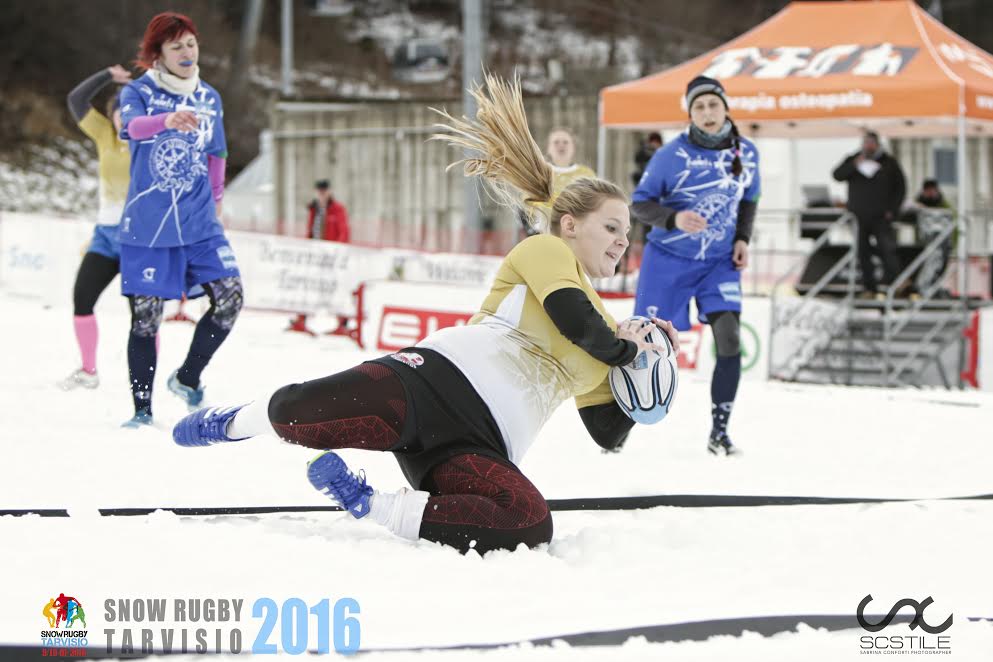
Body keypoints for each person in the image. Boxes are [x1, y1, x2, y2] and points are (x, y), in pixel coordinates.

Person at [172, 74, 679, 555]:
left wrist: (651, 369)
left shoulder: (607, 340)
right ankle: (233, 421)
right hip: (430, 385)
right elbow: (574, 320)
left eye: (627, 234)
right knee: (298, 416)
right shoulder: (548, 251)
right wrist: (628, 350)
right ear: (570, 224)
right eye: (612, 227)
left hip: (479, 447)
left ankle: (376, 506)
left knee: (529, 521)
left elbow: (608, 433)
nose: (622, 242)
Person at [117, 12, 243, 427]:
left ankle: (188, 378)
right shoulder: (140, 91)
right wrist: (166, 120)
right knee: (147, 318)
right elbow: (133, 128)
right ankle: (142, 410)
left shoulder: (209, 97)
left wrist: (217, 201)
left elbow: (217, 153)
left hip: (200, 221)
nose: (187, 53)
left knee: (230, 298)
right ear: (159, 54)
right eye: (176, 47)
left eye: (191, 43)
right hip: (150, 224)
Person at [631, 76, 761, 457]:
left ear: (725, 108)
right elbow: (639, 203)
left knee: (730, 338)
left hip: (718, 263)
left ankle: (719, 432)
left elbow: (749, 199)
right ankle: (619, 429)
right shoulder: (669, 155)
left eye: (712, 105)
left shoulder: (748, 152)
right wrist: (674, 218)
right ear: (690, 113)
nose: (706, 113)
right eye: (698, 107)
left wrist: (742, 239)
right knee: (645, 348)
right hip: (667, 262)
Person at [59, 65, 134, 390]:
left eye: (132, 111)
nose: (124, 118)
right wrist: (107, 76)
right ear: (112, 114)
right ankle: (88, 370)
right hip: (105, 237)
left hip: (139, 240)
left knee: (144, 317)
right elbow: (76, 99)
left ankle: (144, 380)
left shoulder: (150, 140)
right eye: (120, 111)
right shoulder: (104, 134)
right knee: (82, 298)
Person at [832, 131, 907, 298]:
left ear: (877, 144)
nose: (868, 146)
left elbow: (900, 188)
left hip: (881, 216)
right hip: (859, 217)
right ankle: (869, 289)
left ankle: (898, 284)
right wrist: (854, 165)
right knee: (863, 252)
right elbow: (837, 175)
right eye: (866, 143)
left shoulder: (889, 163)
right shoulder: (854, 159)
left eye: (871, 143)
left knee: (887, 249)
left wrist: (892, 211)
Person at [287, 179, 351, 335]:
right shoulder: (313, 208)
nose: (322, 194)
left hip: (331, 256)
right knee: (308, 284)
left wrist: (337, 251)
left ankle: (342, 322)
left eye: (324, 191)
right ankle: (302, 318)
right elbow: (311, 230)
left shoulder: (337, 209)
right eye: (320, 191)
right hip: (314, 255)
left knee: (334, 287)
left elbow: (343, 231)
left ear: (329, 191)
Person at [520, 128, 596, 236]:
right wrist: (533, 230)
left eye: (565, 142)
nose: (561, 145)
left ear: (573, 147)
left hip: (577, 234)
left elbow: (594, 204)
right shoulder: (540, 172)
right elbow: (526, 204)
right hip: (544, 234)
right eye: (556, 142)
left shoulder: (586, 174)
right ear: (548, 147)